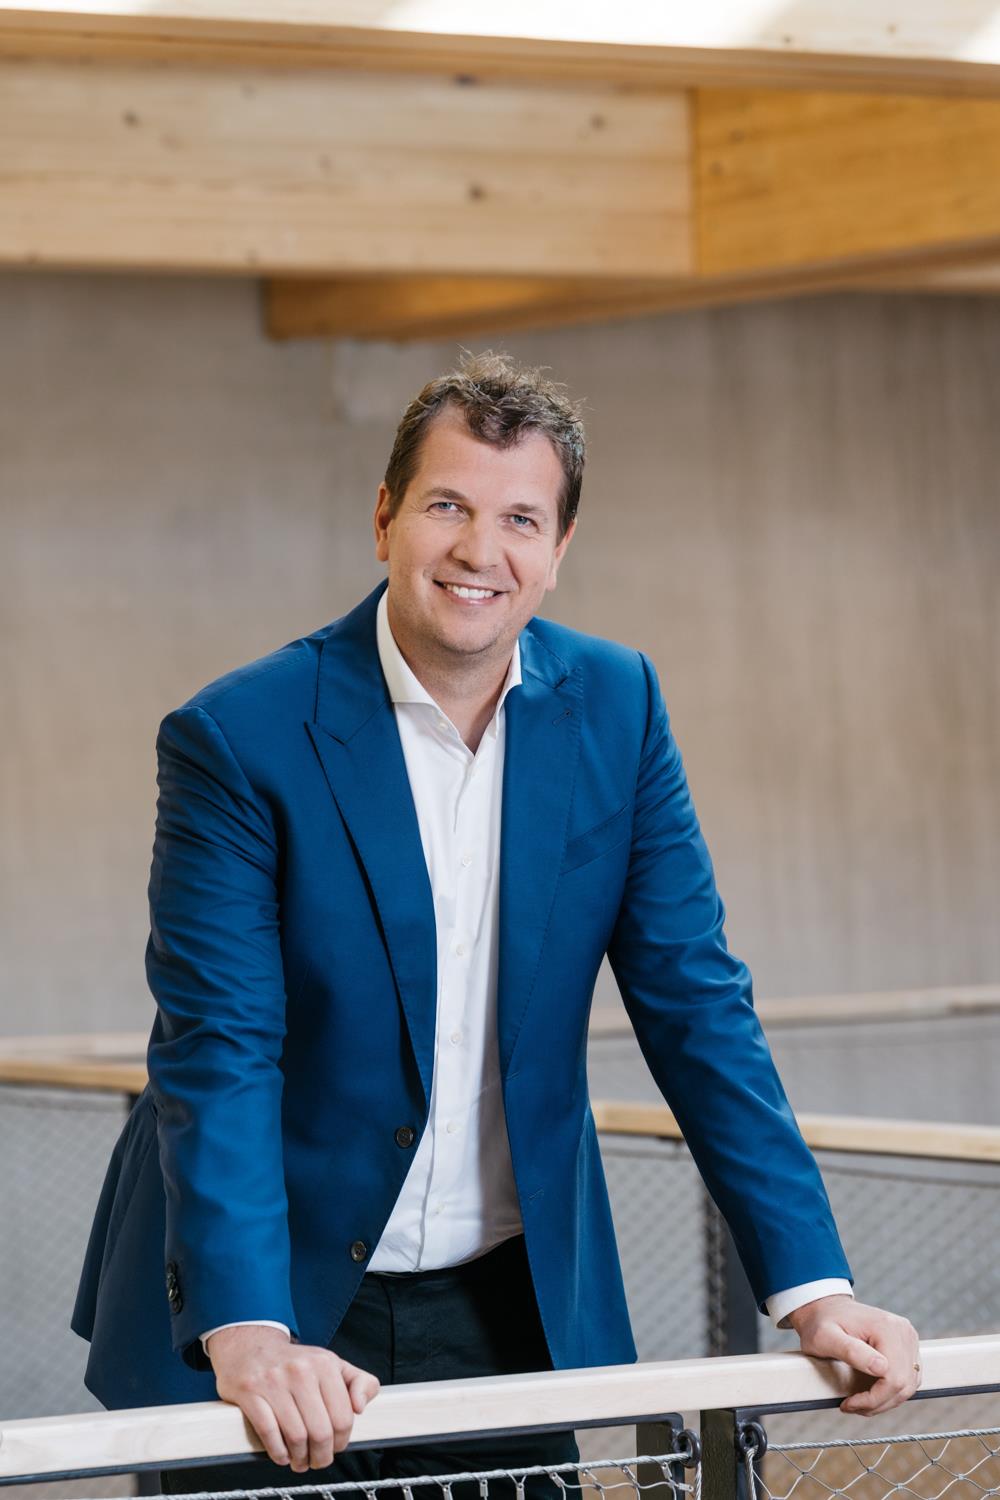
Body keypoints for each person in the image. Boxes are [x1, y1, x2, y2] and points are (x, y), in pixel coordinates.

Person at [73, 351, 921, 1492]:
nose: (481, 551)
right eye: (448, 507)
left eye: (521, 518)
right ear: (384, 517)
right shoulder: (239, 737)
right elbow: (219, 1046)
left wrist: (814, 1289)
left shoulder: (618, 706)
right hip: (277, 1291)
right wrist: (251, 1328)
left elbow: (697, 1004)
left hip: (504, 1302)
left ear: (559, 550)